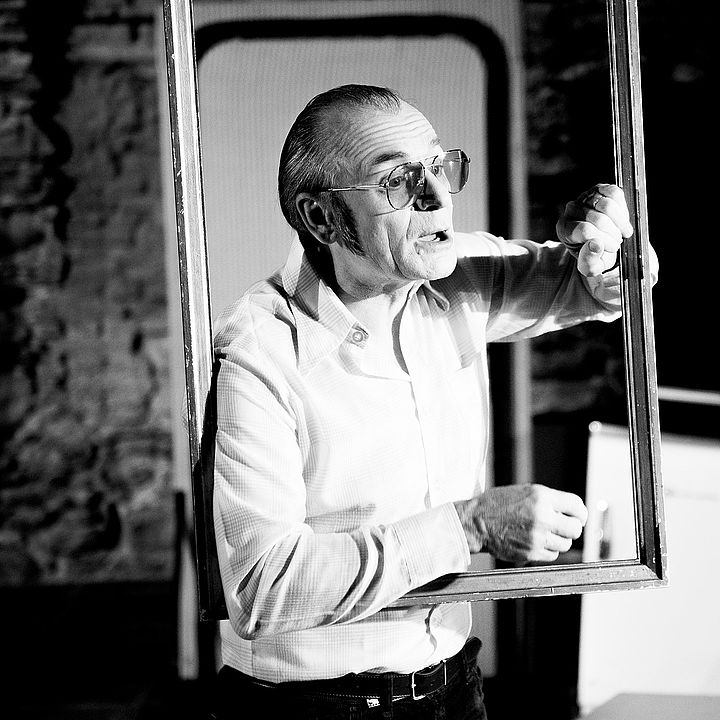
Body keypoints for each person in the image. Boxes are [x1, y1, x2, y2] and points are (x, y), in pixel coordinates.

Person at [209, 84, 657, 720]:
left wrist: (606, 249)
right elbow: (263, 590)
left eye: (439, 166)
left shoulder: (456, 273)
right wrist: (469, 526)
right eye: (397, 181)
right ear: (322, 218)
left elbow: (593, 287)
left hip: (454, 685)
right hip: (309, 708)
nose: (438, 196)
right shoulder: (260, 353)